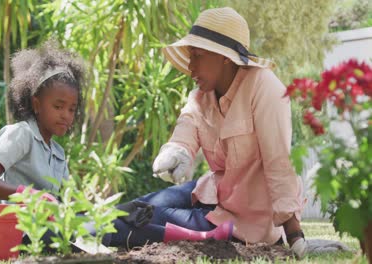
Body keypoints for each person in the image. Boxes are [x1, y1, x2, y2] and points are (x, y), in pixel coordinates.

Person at [0, 41, 233, 252]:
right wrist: (27, 194)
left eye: (72, 109)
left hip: (53, 228)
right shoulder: (20, 134)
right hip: (18, 232)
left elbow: (70, 204)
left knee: (118, 222)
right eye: (58, 106)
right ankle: (199, 237)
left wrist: (119, 211)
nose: (66, 115)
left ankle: (202, 237)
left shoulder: (57, 153)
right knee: (98, 231)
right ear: (36, 104)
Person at [133, 7, 310, 257]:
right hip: (215, 193)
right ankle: (66, 225)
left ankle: (75, 232)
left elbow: (278, 160)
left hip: (249, 219)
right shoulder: (201, 95)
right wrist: (177, 150)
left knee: (144, 218)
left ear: (225, 56)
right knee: (139, 207)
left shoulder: (265, 87)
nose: (190, 67)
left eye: (198, 55)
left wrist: (293, 231)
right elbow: (187, 125)